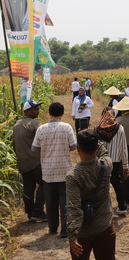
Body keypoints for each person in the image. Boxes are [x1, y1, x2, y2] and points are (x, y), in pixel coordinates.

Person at [66, 129, 116, 260]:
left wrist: (72, 236)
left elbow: (74, 208)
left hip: (83, 233)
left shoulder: (73, 176)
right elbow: (104, 152)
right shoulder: (106, 165)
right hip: (105, 226)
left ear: (77, 148)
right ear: (97, 146)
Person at [32, 102, 77, 238]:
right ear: (63, 114)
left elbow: (34, 149)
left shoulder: (41, 129)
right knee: (65, 200)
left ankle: (52, 227)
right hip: (64, 169)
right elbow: (74, 146)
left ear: (50, 113)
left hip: (48, 170)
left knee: (50, 200)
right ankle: (65, 229)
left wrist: (45, 149)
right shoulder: (67, 127)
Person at [13, 100, 47, 222]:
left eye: (37, 109)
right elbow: (44, 139)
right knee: (45, 183)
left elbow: (14, 145)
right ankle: (37, 211)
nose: (37, 111)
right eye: (34, 109)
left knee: (28, 187)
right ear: (27, 111)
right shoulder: (35, 124)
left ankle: (30, 212)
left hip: (22, 162)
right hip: (35, 161)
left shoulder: (16, 125)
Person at [95, 107, 129, 216]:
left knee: (102, 185)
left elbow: (95, 148)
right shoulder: (120, 129)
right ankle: (122, 206)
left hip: (102, 162)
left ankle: (104, 209)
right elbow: (123, 148)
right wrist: (125, 165)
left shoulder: (98, 129)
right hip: (115, 161)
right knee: (117, 183)